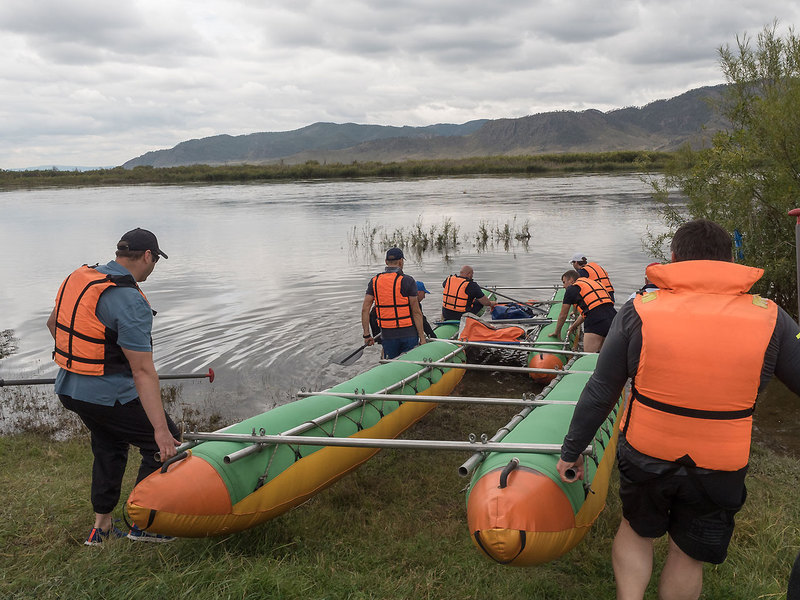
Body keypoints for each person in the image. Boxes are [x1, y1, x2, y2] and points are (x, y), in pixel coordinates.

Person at [556, 219, 800, 600]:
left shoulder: (639, 310)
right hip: (720, 464)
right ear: (729, 262)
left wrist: (571, 451)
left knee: (636, 531)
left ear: (673, 259)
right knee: (687, 555)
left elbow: (602, 390)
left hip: (646, 453)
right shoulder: (772, 318)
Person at [47, 228, 181, 546]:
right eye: (155, 260)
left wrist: (85, 359)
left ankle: (101, 528)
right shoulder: (130, 300)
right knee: (165, 446)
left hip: (70, 389)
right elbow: (143, 371)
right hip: (108, 395)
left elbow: (53, 324)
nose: (153, 267)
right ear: (147, 256)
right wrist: (161, 431)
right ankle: (143, 524)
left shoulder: (81, 277)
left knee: (109, 445)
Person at [361, 247, 427, 359]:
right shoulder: (408, 280)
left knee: (390, 362)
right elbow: (416, 312)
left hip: (387, 335)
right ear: (401, 261)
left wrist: (366, 335)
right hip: (408, 334)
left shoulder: (374, 281)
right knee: (410, 363)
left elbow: (365, 310)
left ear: (386, 262)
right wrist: (422, 337)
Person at [549, 269, 617, 353]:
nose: (563, 286)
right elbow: (591, 310)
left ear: (571, 280)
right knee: (605, 354)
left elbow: (563, 315)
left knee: (589, 355)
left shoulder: (571, 289)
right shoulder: (595, 284)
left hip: (595, 321)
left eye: (564, 282)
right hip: (614, 318)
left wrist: (557, 332)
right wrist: (573, 326)